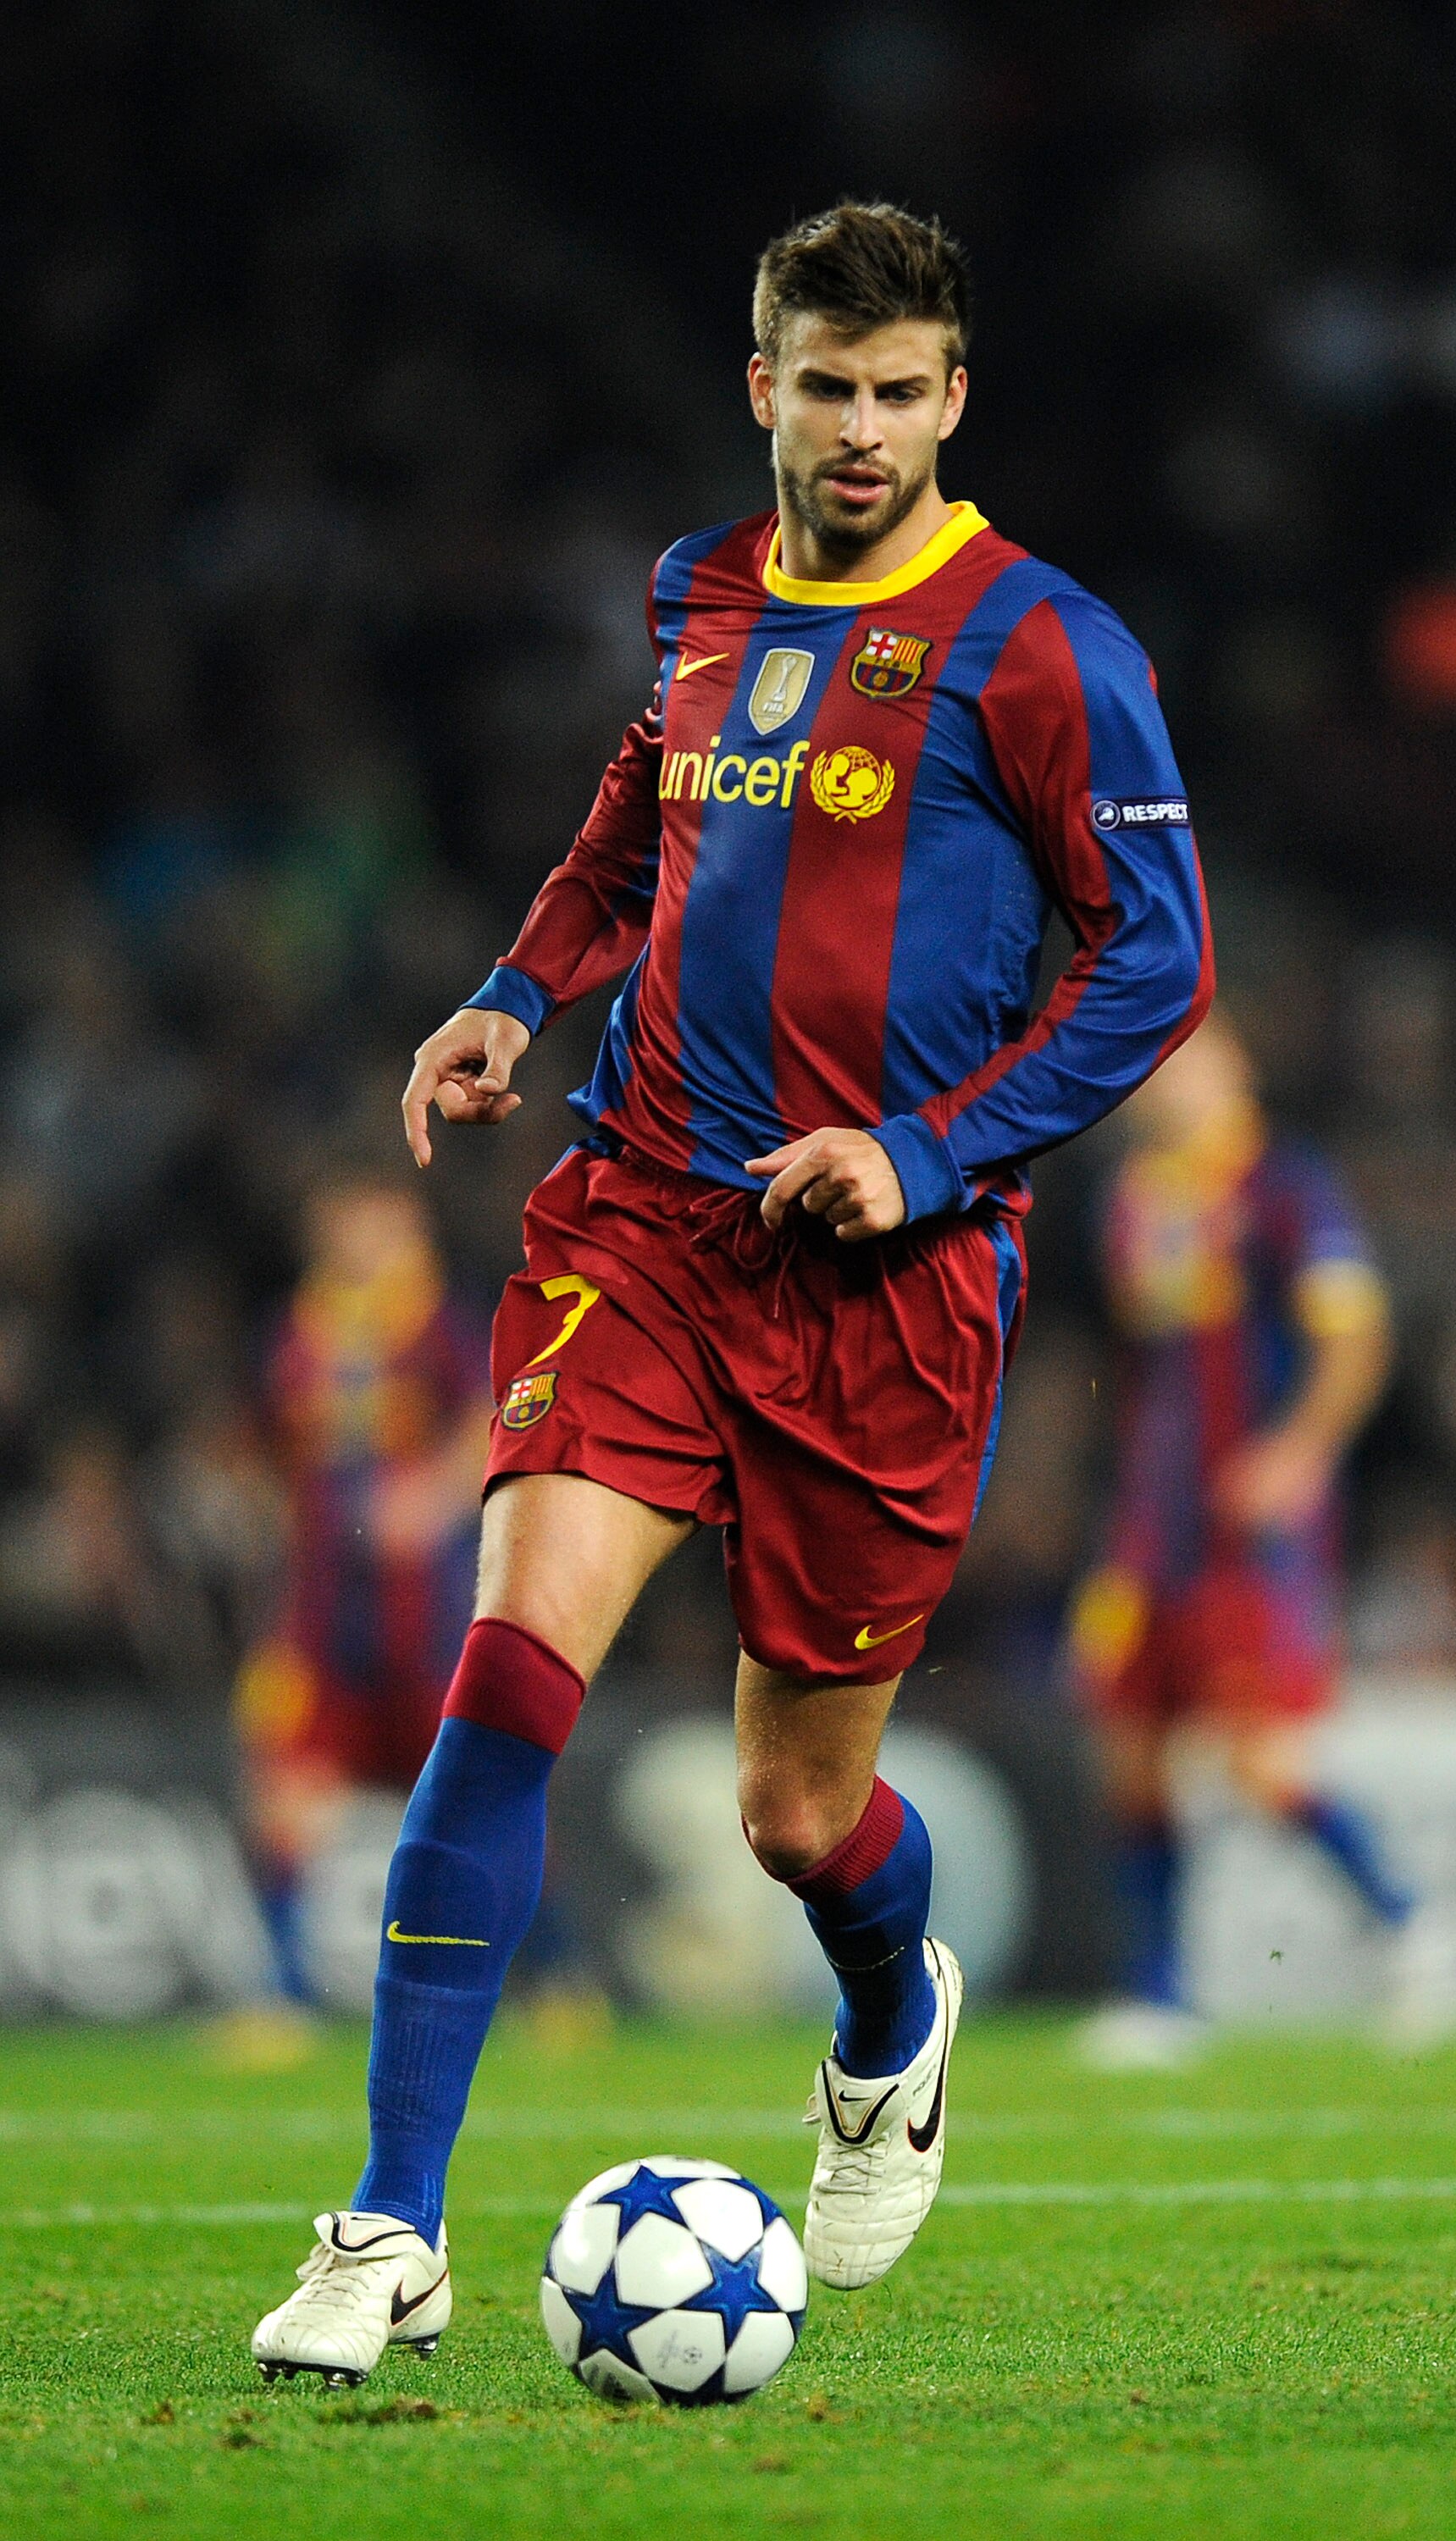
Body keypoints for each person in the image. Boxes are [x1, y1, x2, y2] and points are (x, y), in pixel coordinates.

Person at [252, 201, 1211, 2386]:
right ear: (758, 378)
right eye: (821, 382)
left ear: (953, 397)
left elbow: (1157, 955)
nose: (856, 428)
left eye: (898, 391)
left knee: (801, 1814)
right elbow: (638, 815)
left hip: (890, 1284)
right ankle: (391, 2225)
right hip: (644, 1223)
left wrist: (932, 1146)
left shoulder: (1048, 645)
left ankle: (893, 2010)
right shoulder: (701, 590)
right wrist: (518, 988)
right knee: (507, 1672)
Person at [1069, 1010, 1456, 2067]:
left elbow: (1356, 1338)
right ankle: (1159, 1997)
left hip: (1252, 1532)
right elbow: (1147, 1368)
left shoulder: (1286, 1186)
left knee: (1258, 1765)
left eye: (1189, 1061)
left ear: (1236, 1066)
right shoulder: (1136, 1200)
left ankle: (1409, 1917)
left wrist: (1296, 1453)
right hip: (1153, 1533)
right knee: (1133, 1758)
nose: (1167, 1084)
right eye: (1153, 1068)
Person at [225, 1165, 495, 2061]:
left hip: (424, 1613)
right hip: (315, 1610)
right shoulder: (296, 1333)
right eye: (341, 1221)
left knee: (474, 1798)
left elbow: (493, 1421)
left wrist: (433, 1499)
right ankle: (284, 1992)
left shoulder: (437, 1325)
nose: (356, 1238)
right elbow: (269, 1448)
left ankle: (554, 1975)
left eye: (373, 1220)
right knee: (284, 1792)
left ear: (407, 1223)